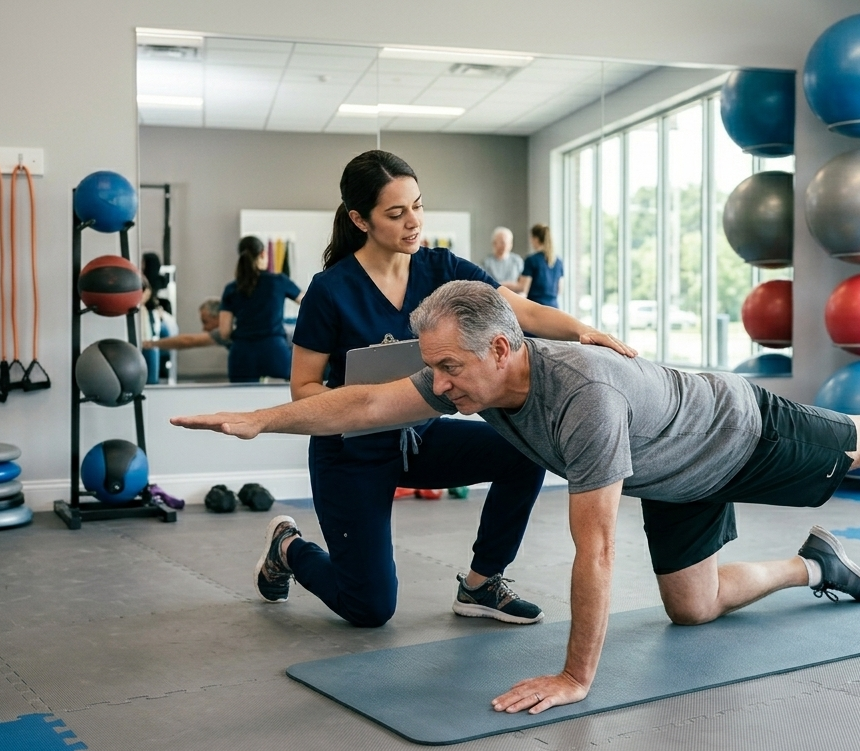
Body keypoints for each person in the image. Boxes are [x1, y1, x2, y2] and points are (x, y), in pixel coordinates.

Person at [171, 280, 860, 715]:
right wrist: (263, 418)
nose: (436, 384)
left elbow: (595, 549)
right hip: (677, 474)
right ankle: (809, 563)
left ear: (507, 349)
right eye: (431, 366)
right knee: (694, 610)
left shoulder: (580, 399)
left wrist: (574, 675)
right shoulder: (468, 380)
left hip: (743, 431)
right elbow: (364, 402)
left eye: (450, 367)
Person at [250, 150, 634, 630]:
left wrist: (581, 331)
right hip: (350, 453)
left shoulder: (442, 268)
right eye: (396, 213)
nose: (413, 222)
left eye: (417, 205)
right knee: (368, 609)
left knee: (525, 451)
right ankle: (288, 545)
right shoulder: (330, 290)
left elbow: (519, 310)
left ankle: (481, 583)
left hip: (420, 438)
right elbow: (302, 388)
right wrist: (361, 402)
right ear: (359, 219)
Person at [220, 236, 304, 383]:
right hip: (275, 352)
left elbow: (224, 332)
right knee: (282, 402)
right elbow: (310, 304)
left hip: (242, 354)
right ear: (263, 254)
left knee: (241, 403)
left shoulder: (231, 288)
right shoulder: (279, 281)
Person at [144, 298, 232, 352]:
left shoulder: (229, 329)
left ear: (219, 317)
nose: (204, 329)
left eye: (205, 322)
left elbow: (188, 341)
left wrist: (150, 344)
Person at [517, 224, 563, 308]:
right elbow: (559, 290)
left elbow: (523, 288)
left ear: (536, 239)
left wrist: (502, 284)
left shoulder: (531, 260)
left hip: (536, 308)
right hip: (554, 308)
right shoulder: (558, 262)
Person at [478, 227, 525, 293]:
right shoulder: (486, 263)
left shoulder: (517, 261)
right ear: (494, 243)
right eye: (502, 242)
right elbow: (484, 285)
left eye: (508, 242)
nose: (505, 245)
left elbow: (523, 286)